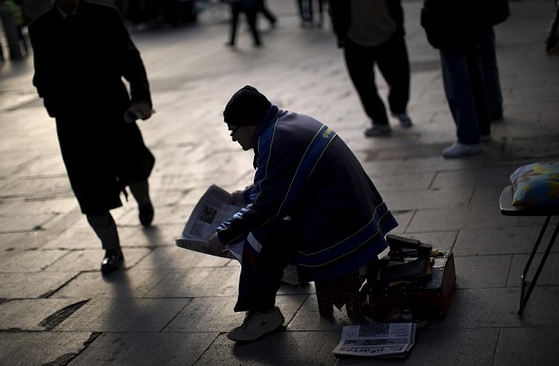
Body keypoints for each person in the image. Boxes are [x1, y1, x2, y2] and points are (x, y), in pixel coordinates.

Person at [208, 85, 398, 342]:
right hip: (354, 218)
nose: (232, 137)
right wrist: (243, 195)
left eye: (233, 130)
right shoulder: (285, 124)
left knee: (258, 236)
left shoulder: (276, 140)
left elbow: (267, 206)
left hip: (342, 231)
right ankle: (281, 272)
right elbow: (280, 181)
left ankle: (263, 312)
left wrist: (224, 233)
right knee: (265, 223)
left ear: (250, 124)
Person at [29, 0, 156, 273]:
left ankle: (143, 202)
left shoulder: (105, 15)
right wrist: (53, 105)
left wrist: (141, 97)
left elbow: (130, 59)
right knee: (87, 186)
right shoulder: (40, 27)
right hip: (73, 121)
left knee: (134, 166)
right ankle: (111, 247)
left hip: (113, 110)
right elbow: (41, 75)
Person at [421, 0, 504, 158]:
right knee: (474, 75)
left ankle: (469, 138)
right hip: (470, 19)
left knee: (457, 81)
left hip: (449, 22)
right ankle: (481, 129)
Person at [328, 0, 413, 138]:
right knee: (364, 85)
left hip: (388, 31)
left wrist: (398, 25)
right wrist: (341, 32)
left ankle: (399, 108)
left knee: (400, 77)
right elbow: (335, 6)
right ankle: (379, 120)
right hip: (354, 38)